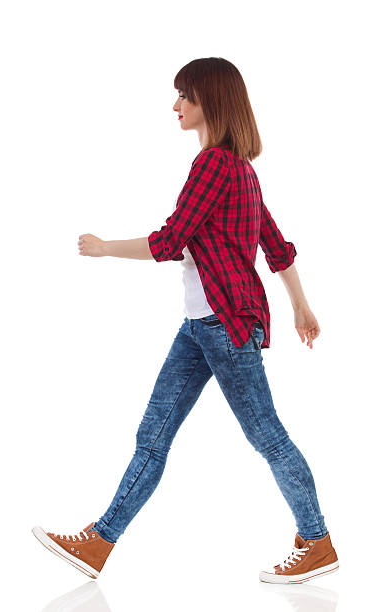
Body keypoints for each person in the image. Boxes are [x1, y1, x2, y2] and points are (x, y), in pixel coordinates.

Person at [32, 57, 339, 584]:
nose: (175, 106)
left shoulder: (215, 165)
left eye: (184, 96)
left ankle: (316, 541)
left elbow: (170, 241)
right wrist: (301, 306)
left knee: (266, 434)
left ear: (209, 101)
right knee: (154, 435)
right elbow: (277, 246)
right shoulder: (242, 169)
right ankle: (99, 544)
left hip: (225, 325)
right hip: (203, 326)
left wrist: (105, 248)